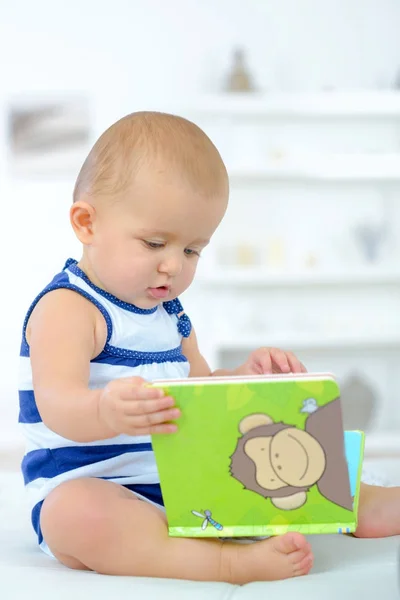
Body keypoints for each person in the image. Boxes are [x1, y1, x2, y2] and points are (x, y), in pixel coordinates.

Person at [18, 112, 400, 584]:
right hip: (103, 488)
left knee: (287, 444)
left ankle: (358, 502)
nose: (173, 267)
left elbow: (198, 392)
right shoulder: (69, 308)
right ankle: (225, 562)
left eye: (192, 250)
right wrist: (104, 410)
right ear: (86, 223)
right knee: (74, 515)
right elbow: (55, 404)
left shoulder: (170, 315)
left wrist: (243, 377)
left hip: (188, 480)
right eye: (155, 242)